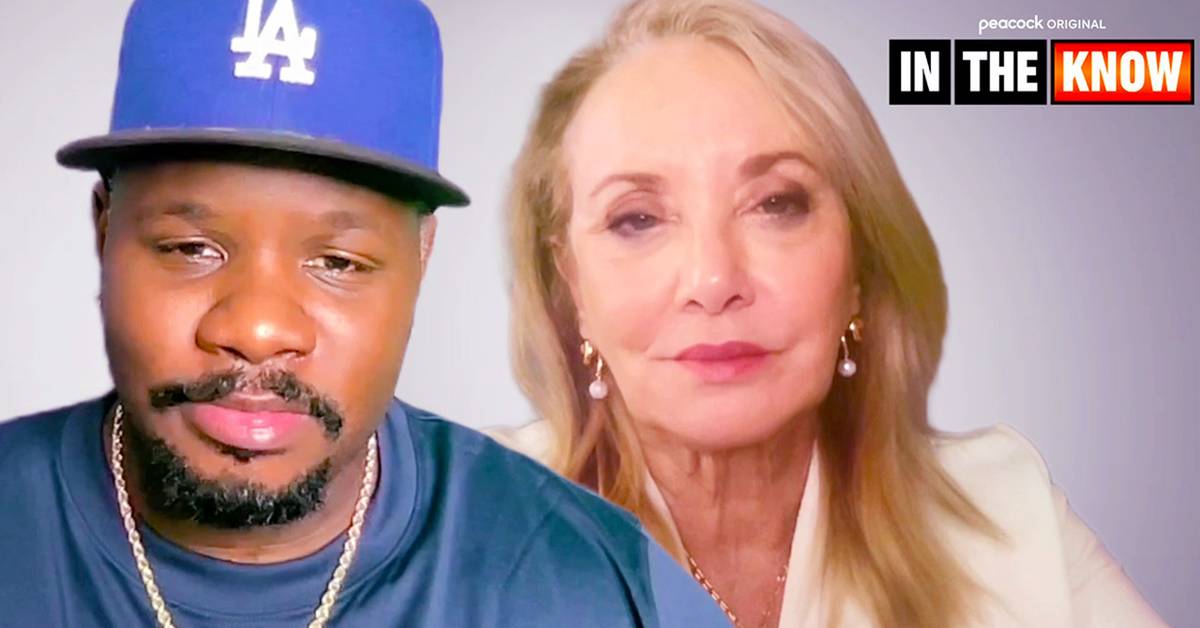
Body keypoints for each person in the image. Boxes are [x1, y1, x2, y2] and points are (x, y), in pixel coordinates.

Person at [0, 1, 731, 627]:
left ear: (422, 258)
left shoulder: (596, 587)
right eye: (192, 248)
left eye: (338, 262)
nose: (257, 329)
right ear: (104, 229)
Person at [489, 0, 1167, 626]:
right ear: (571, 286)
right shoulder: (467, 526)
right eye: (637, 218)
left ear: (860, 266)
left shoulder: (1008, 519)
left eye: (775, 204)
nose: (714, 280)